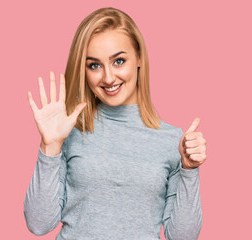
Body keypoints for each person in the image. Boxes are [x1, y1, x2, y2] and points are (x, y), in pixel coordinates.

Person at [24, 7, 207, 240]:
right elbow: (39, 224)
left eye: (118, 61)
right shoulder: (68, 132)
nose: (108, 78)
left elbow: (183, 236)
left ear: (139, 57)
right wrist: (49, 147)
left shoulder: (172, 140)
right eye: (94, 65)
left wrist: (189, 171)